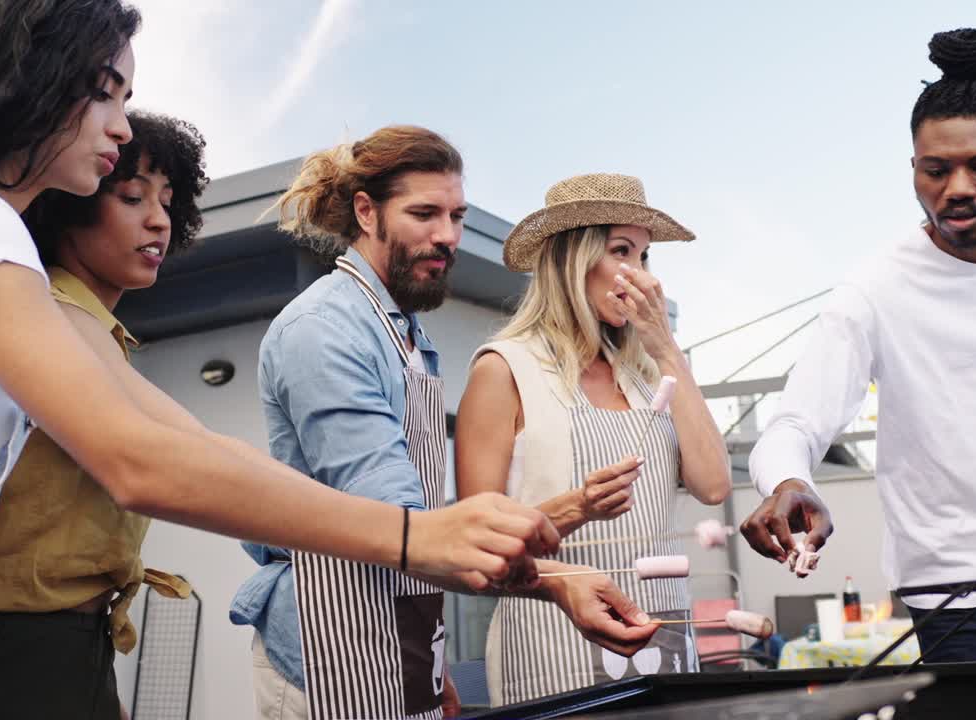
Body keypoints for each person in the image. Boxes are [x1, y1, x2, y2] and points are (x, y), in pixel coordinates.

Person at [0, 3, 554, 716]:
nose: (120, 128)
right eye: (106, 92)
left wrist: (435, 533)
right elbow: (135, 461)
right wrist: (416, 538)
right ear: (24, 78)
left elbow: (191, 441)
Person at [232, 129, 659, 720]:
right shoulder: (325, 328)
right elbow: (400, 522)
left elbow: (427, 527)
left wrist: (426, 664)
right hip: (325, 649)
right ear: (366, 211)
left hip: (400, 642)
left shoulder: (406, 334)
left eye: (455, 215)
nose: (447, 236)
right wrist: (558, 583)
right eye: (424, 214)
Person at [740, 28, 976, 662]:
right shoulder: (874, 290)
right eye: (936, 170)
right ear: (913, 169)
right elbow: (795, 421)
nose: (957, 187)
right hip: (960, 599)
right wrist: (789, 480)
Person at [0, 110, 205, 719]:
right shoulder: (53, 309)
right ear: (71, 203)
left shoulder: (93, 326)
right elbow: (176, 453)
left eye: (169, 201)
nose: (158, 219)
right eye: (133, 196)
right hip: (9, 653)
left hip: (73, 647)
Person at [455, 173, 731, 704]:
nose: (641, 276)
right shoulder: (505, 369)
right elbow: (478, 544)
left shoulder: (650, 372)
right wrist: (577, 506)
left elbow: (714, 485)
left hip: (662, 634)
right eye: (621, 250)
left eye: (646, 257)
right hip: (553, 643)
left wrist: (668, 350)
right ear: (573, 261)